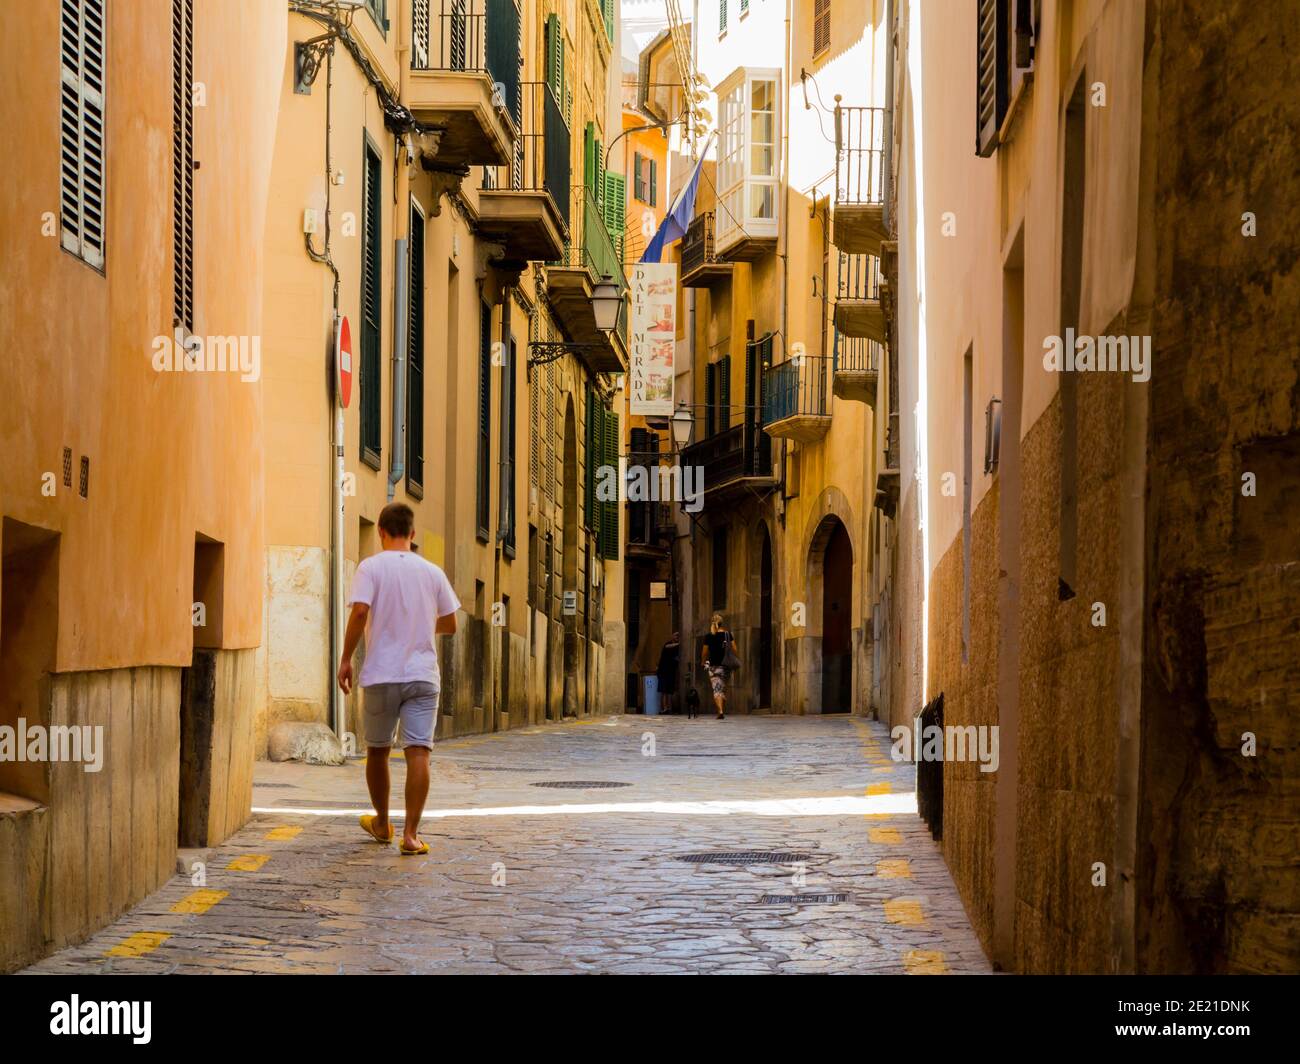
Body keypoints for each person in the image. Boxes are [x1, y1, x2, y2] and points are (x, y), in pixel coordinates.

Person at [337, 502, 460, 856]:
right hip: (422, 676)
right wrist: (420, 625)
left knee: (377, 751)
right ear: (413, 533)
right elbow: (450, 624)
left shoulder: (370, 567)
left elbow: (360, 611)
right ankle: (410, 835)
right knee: (418, 751)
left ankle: (381, 822)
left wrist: (346, 658)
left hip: (381, 674)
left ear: (380, 531)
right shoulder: (432, 572)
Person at [700, 613, 737, 721]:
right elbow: (735, 648)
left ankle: (720, 711)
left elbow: (704, 652)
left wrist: (703, 662)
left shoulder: (709, 636)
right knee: (722, 688)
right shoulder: (727, 634)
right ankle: (721, 708)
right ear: (722, 623)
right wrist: (733, 658)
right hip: (726, 666)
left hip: (714, 666)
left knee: (717, 689)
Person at [656, 633, 680, 714]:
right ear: (672, 636)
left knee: (670, 691)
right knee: (663, 691)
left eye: (678, 636)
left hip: (671, 672)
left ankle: (669, 708)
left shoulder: (677, 649)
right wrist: (679, 644)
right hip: (663, 671)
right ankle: (664, 708)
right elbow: (667, 647)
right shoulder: (668, 644)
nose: (677, 637)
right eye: (676, 635)